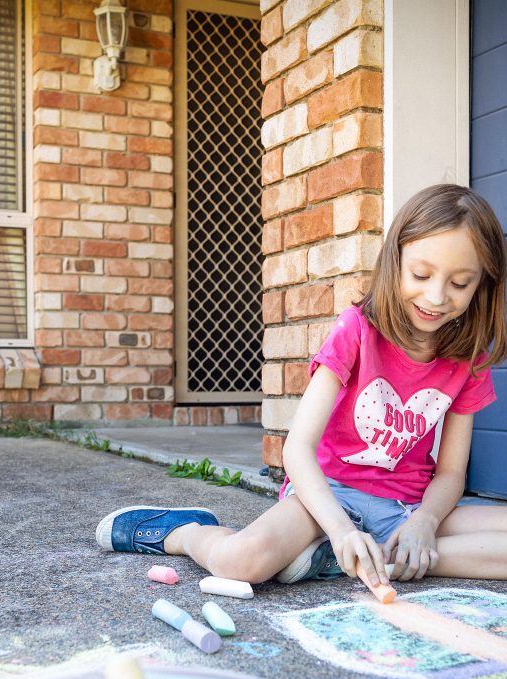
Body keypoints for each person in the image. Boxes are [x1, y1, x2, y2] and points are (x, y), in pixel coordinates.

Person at [96, 184, 507, 590]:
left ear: (481, 285)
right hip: (327, 497)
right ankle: (184, 532)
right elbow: (297, 448)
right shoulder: (357, 330)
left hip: (407, 507)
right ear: (395, 262)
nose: (436, 296)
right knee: (242, 560)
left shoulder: (467, 359)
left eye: (459, 284)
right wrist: (342, 529)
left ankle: (374, 556)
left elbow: (452, 473)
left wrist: (424, 524)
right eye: (421, 274)